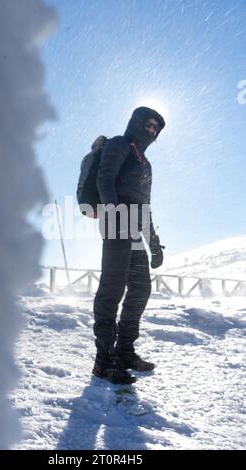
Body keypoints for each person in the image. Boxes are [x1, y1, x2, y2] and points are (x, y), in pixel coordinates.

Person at [92, 107, 166, 385]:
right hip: (115, 224)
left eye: (155, 128)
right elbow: (104, 178)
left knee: (141, 287)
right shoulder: (119, 144)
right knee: (112, 288)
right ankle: (103, 361)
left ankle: (124, 352)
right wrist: (112, 211)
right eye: (148, 124)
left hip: (133, 228)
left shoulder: (144, 163)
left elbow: (145, 208)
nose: (152, 130)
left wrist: (155, 244)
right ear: (136, 123)